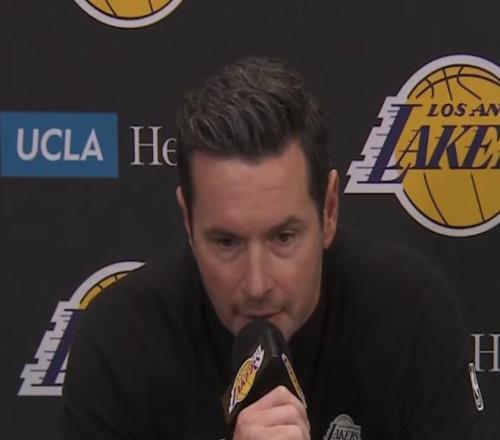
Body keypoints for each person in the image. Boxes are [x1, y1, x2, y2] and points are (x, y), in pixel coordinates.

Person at [62, 57, 484, 439]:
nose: (257, 283)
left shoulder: (411, 315)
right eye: (227, 242)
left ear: (329, 210)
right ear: (188, 221)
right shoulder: (122, 340)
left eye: (283, 238)